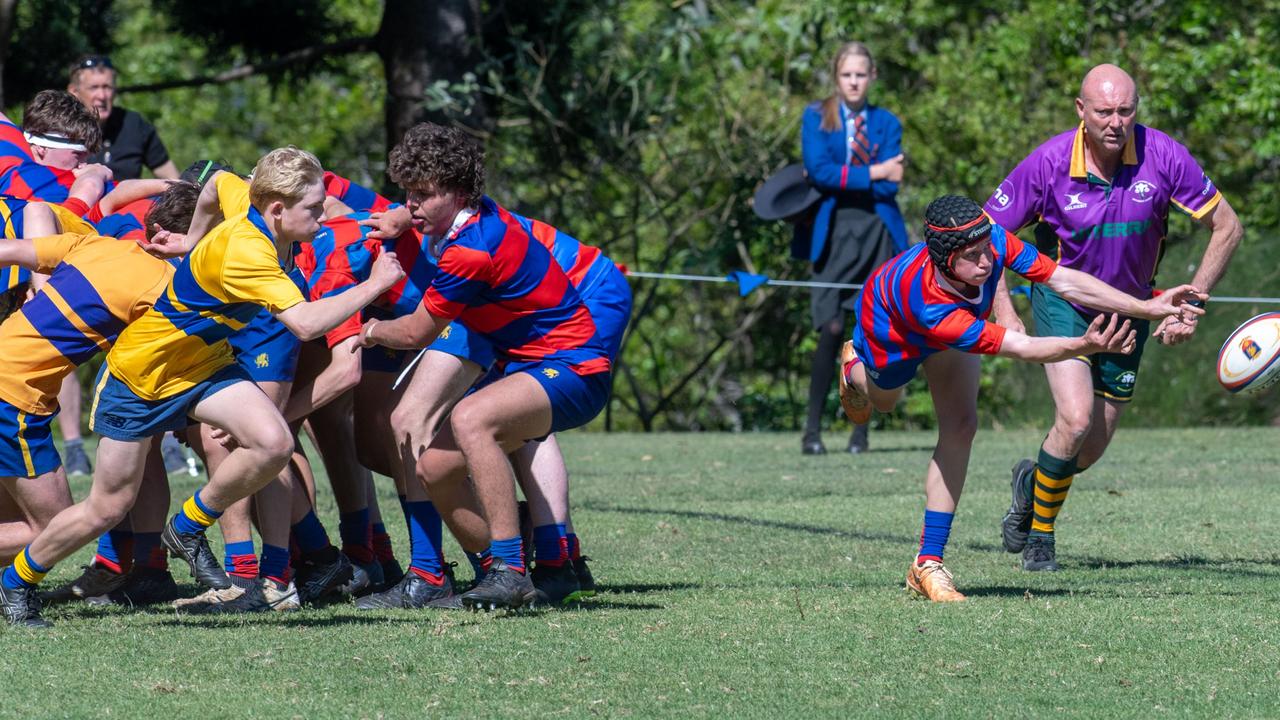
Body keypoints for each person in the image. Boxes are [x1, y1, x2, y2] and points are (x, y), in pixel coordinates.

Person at [0, 147, 404, 627]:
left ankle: (187, 527)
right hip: (145, 378)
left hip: (202, 365)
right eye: (313, 208)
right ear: (277, 210)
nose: (323, 215)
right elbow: (304, 323)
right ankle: (16, 584)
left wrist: (191, 242)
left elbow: (213, 186)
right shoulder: (250, 254)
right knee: (107, 506)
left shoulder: (245, 200)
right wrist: (374, 285)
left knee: (274, 441)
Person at [837, 194, 1204, 602]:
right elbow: (1023, 349)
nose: (986, 263)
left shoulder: (991, 239)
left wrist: (1145, 306)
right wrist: (1084, 343)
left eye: (986, 251)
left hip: (951, 325)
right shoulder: (931, 308)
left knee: (961, 427)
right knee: (885, 401)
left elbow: (1062, 278)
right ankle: (853, 371)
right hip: (894, 326)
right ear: (943, 258)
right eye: (972, 257)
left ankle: (927, 563)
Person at [984, 64, 1244, 572]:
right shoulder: (1048, 163)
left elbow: (1227, 226)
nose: (1115, 122)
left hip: (1133, 309)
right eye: (1104, 111)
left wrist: (1191, 303)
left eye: (1126, 110)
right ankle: (1041, 538)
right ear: (1081, 110)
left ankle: (1030, 485)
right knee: (1075, 418)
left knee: (1089, 448)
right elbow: (986, 232)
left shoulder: (1163, 155)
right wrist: (1005, 311)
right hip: (1065, 305)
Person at [356, 122, 613, 611]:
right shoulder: (471, 215)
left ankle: (510, 570)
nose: (411, 204)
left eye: (422, 195)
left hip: (575, 368)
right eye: (406, 193)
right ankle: (526, 560)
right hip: (524, 360)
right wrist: (403, 218)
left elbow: (414, 333)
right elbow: (425, 213)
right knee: (434, 467)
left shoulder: (471, 250)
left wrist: (367, 330)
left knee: (472, 418)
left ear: (455, 192)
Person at [797, 41, 905, 456]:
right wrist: (874, 170)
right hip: (833, 232)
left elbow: (891, 184)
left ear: (872, 77)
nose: (854, 81)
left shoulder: (887, 122)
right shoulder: (815, 118)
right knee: (831, 329)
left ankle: (861, 433)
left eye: (861, 74)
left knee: (867, 334)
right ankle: (811, 431)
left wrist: (847, 175)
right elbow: (818, 173)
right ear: (836, 78)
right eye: (847, 75)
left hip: (877, 229)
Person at [67, 55, 179, 181]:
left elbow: (172, 178)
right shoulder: (60, 129)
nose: (102, 96)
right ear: (74, 91)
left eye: (107, 87)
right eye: (94, 88)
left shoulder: (134, 124)